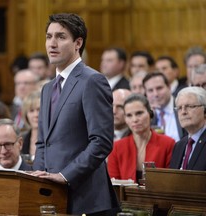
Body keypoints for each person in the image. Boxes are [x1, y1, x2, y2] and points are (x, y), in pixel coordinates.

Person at [31, 13, 120, 216]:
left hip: (87, 200)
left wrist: (65, 176)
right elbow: (43, 142)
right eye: (48, 36)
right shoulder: (47, 88)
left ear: (78, 43)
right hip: (52, 197)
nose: (52, 43)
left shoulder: (92, 80)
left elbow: (101, 142)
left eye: (61, 37)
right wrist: (37, 179)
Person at [108, 94, 175, 182]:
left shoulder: (168, 144)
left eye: (139, 113)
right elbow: (113, 186)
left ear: (150, 113)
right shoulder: (116, 147)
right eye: (129, 115)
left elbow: (170, 182)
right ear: (125, 119)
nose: (135, 119)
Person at [170, 87, 206, 170]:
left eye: (189, 106)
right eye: (179, 108)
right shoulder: (178, 146)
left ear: (204, 110)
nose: (183, 112)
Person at [143, 72, 186, 141]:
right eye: (150, 90)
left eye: (159, 88)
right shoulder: (145, 114)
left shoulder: (183, 107)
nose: (155, 94)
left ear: (169, 87)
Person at [21, 90, 41, 161]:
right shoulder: (21, 138)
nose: (36, 115)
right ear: (26, 115)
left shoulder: (54, 139)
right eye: (31, 111)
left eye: (39, 110)